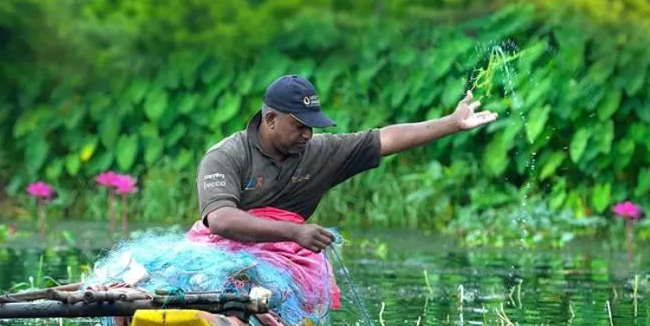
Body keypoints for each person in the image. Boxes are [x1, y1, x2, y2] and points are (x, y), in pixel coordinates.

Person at [195, 74, 498, 252]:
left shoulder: (319, 151)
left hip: (286, 258)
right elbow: (221, 220)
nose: (308, 135)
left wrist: (451, 123)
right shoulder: (226, 156)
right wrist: (294, 232)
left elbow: (384, 139)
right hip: (227, 252)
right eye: (299, 126)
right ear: (271, 119)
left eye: (312, 127)